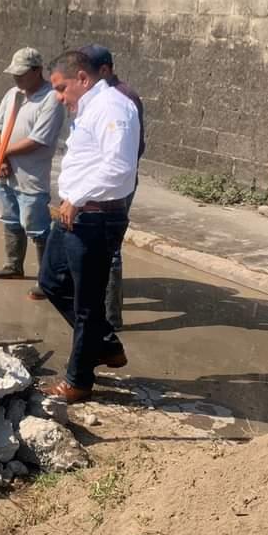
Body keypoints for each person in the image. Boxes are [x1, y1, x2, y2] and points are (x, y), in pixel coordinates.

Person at [40, 49, 141, 403]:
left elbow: (120, 167)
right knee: (51, 281)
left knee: (87, 303)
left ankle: (79, 381)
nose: (58, 96)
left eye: (61, 87)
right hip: (75, 211)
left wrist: (79, 198)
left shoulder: (113, 108)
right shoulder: (90, 108)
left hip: (95, 216)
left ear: (82, 79)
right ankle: (106, 345)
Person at [0, 47, 65, 284]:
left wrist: (0, 154)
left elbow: (37, 140)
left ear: (37, 71)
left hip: (30, 176)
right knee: (9, 218)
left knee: (37, 227)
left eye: (21, 74)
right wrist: (1, 158)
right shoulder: (13, 94)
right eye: (14, 74)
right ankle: (13, 265)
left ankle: (47, 279)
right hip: (5, 172)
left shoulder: (51, 98)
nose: (16, 78)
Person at [85, 45, 144, 329]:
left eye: (87, 74)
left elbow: (129, 150)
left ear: (105, 70)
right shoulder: (97, 97)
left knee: (110, 249)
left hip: (114, 184)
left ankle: (110, 318)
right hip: (97, 181)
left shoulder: (122, 98)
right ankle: (96, 308)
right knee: (95, 244)